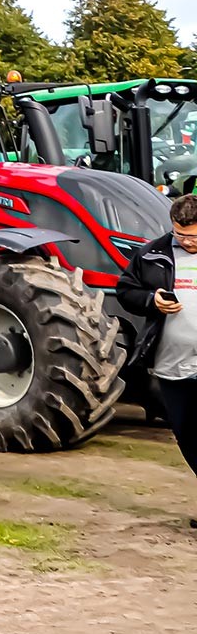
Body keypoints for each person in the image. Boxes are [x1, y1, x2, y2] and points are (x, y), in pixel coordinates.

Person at [115, 193, 197, 508]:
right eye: (181, 234)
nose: (187, 242)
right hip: (171, 365)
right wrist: (153, 301)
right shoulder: (151, 255)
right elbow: (126, 290)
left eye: (193, 236)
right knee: (187, 437)